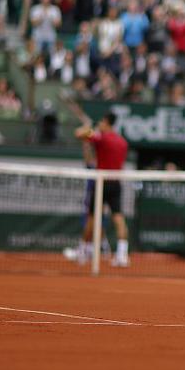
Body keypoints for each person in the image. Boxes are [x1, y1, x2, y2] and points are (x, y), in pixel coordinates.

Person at [73, 112, 131, 267]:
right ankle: (122, 254)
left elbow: (78, 133)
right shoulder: (122, 142)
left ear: (106, 122)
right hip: (116, 183)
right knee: (119, 218)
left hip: (102, 183)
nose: (100, 123)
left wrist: (89, 128)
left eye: (101, 121)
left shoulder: (101, 137)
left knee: (92, 218)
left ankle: (82, 250)